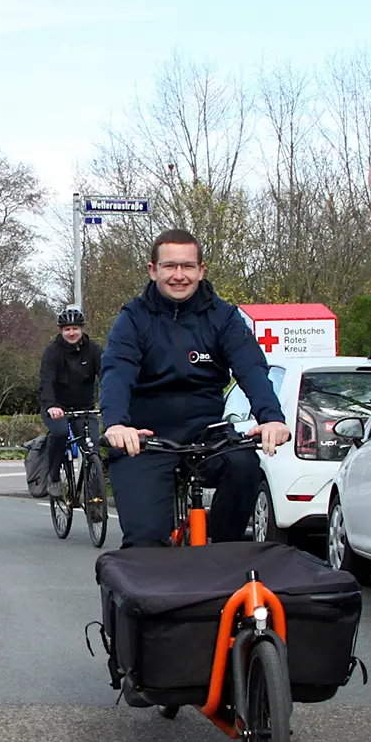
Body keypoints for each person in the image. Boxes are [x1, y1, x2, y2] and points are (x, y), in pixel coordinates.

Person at [98, 228, 289, 547]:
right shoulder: (133, 319)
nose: (179, 275)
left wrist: (271, 417)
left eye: (187, 266)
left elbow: (250, 367)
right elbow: (117, 371)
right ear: (153, 270)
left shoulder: (224, 317)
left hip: (207, 432)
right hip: (145, 436)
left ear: (201, 270)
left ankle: (223, 552)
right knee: (144, 540)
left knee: (243, 466)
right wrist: (117, 423)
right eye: (170, 266)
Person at [38, 306, 103, 490]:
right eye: (67, 329)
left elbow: (107, 376)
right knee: (60, 434)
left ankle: (94, 496)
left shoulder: (94, 350)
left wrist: (109, 402)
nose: (72, 333)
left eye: (75, 328)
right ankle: (54, 476)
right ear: (61, 331)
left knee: (93, 447)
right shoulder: (52, 352)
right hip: (57, 406)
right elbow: (46, 381)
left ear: (82, 328)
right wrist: (51, 405)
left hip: (85, 407)